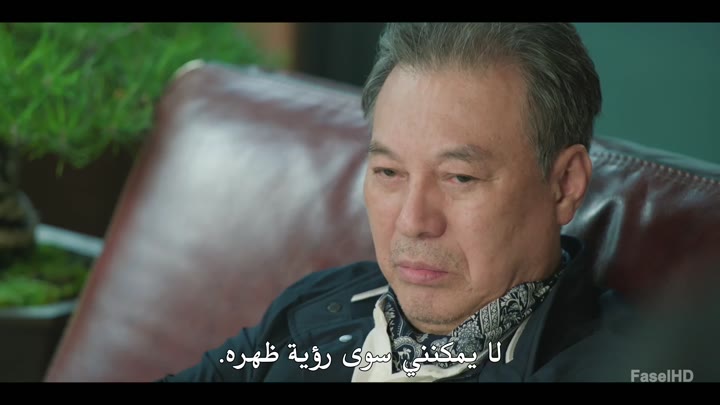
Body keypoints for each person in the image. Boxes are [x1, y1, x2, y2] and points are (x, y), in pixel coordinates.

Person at [158, 22, 633, 382]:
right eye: (389, 172)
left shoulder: (625, 365)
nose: (412, 221)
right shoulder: (317, 309)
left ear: (564, 184)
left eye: (460, 177)